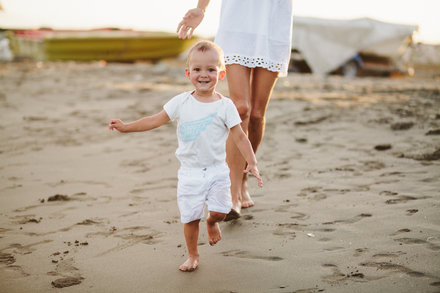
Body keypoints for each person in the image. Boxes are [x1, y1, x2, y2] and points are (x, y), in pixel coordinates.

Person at [108, 40, 263, 272]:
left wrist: (252, 161)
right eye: (198, 69)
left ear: (221, 75)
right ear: (188, 73)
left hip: (218, 170)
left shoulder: (226, 106)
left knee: (221, 211)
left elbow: (240, 137)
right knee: (190, 217)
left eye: (210, 69)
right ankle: (193, 255)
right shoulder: (181, 102)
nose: (204, 75)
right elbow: (154, 120)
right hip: (190, 172)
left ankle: (211, 223)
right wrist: (126, 126)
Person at [177, 0, 293, 220]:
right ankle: (232, 194)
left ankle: (243, 179)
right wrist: (201, 8)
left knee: (257, 114)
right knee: (241, 109)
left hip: (273, 21)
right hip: (237, 20)